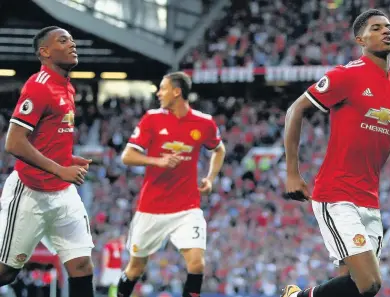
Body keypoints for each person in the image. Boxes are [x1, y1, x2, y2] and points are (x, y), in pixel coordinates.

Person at [282, 9, 390, 297]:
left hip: (369, 199)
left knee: (352, 288)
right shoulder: (346, 75)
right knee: (370, 284)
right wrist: (293, 172)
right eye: (376, 28)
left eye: (388, 27)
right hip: (336, 194)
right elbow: (296, 109)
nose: (386, 31)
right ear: (360, 40)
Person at [0, 26, 96, 296]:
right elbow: (14, 142)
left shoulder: (66, 87)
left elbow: (48, 138)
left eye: (72, 40)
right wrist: (60, 169)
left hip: (62, 193)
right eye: (63, 41)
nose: (72, 44)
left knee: (82, 266)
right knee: (6, 272)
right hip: (30, 191)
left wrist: (68, 159)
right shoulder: (38, 87)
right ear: (44, 52)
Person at [116, 71, 226, 297]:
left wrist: (210, 178)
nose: (158, 93)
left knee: (196, 264)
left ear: (177, 92)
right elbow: (127, 156)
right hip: (151, 208)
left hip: (187, 208)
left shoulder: (204, 123)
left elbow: (219, 149)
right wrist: (158, 161)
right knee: (135, 268)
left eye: (163, 88)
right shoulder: (152, 119)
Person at [99, 232, 125, 297]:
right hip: (117, 268)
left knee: (106, 285)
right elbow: (123, 246)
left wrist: (103, 269)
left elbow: (106, 258)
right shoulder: (118, 245)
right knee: (114, 285)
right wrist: (122, 239)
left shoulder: (107, 246)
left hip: (109, 268)